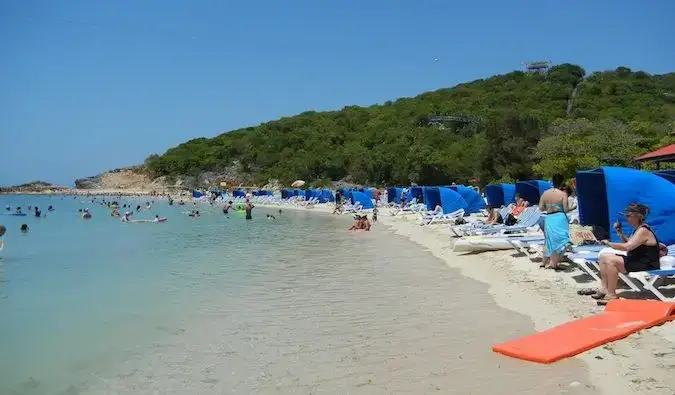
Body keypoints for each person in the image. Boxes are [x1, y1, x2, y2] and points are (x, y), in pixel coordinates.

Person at [595, 203, 660, 305]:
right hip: (638, 260)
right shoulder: (638, 229)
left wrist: (608, 243)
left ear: (638, 216)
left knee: (611, 260)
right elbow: (629, 243)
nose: (626, 218)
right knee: (603, 257)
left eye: (628, 216)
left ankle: (611, 294)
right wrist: (620, 233)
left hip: (647, 263)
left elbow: (627, 247)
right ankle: (605, 289)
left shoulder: (643, 230)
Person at [538, 174, 570, 270]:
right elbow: (566, 209)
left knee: (549, 240)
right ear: (561, 182)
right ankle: (554, 263)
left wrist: (549, 207)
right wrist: (572, 208)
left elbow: (541, 208)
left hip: (549, 218)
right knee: (561, 240)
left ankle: (544, 262)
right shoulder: (563, 194)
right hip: (559, 217)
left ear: (552, 182)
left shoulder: (545, 193)